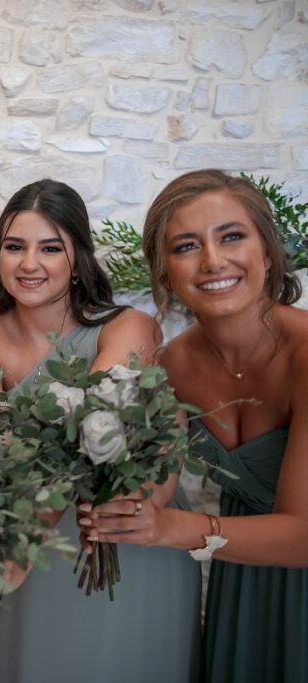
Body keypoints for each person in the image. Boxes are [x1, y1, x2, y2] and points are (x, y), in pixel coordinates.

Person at [0, 179, 200, 683]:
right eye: (15, 247)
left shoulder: (128, 328)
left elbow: (92, 425)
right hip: (39, 556)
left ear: (77, 259)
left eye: (50, 248)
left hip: (124, 540)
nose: (29, 264)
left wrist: (24, 539)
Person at [79, 170, 308, 683]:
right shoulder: (170, 365)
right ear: (164, 275)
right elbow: (156, 486)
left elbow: (304, 534)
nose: (212, 261)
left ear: (267, 252)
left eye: (231, 236)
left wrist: (172, 530)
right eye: (187, 246)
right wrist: (116, 504)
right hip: (241, 579)